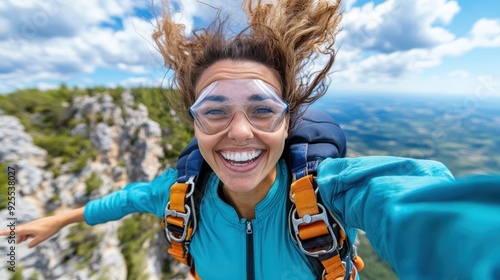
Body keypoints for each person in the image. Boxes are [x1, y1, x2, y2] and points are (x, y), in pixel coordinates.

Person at [2, 0, 500, 279]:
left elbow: (410, 202)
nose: (240, 131)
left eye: (263, 109)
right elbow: (127, 199)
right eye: (215, 111)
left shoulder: (330, 193)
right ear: (194, 125)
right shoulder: (181, 196)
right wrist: (60, 219)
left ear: (288, 121)